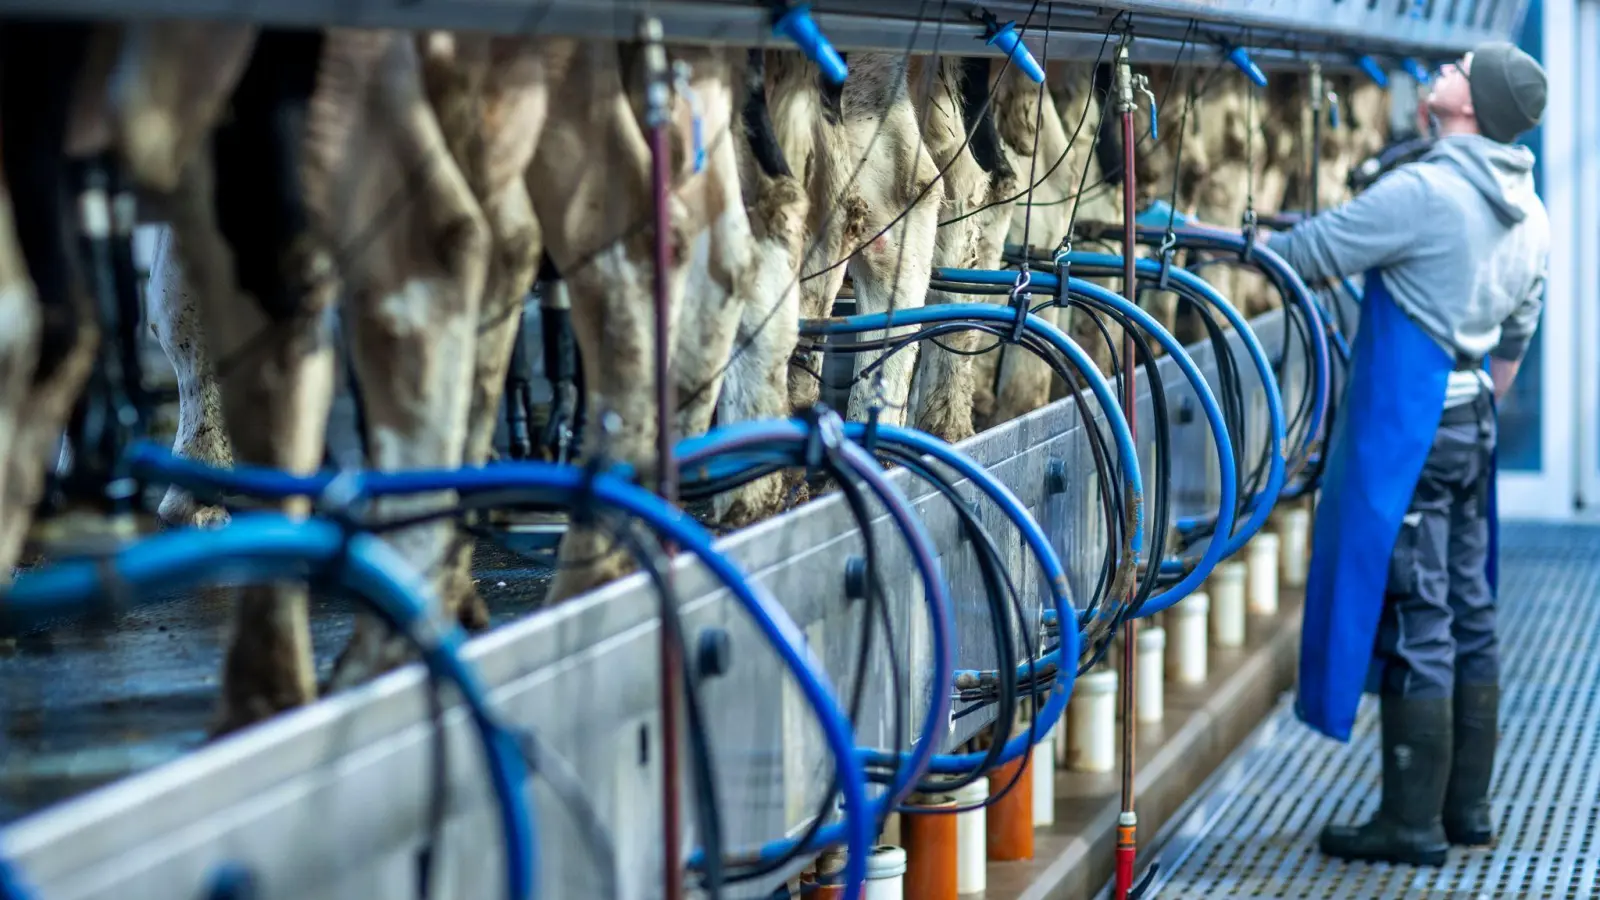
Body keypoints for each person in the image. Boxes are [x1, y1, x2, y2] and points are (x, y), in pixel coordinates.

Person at [1263, 42, 1550, 866]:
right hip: (1470, 427)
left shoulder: (1425, 191)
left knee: (1417, 611)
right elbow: (1516, 340)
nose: (1447, 67)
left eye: (1461, 68)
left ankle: (1410, 823)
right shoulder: (1530, 208)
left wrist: (1207, 241)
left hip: (1414, 431)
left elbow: (1308, 256)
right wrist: (1468, 406)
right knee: (1469, 606)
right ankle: (1469, 809)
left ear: (1470, 108)